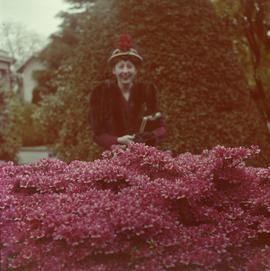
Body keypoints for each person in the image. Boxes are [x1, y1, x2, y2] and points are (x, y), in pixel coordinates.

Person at [89, 34, 166, 149]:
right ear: (114, 70)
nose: (125, 71)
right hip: (114, 159)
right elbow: (97, 134)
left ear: (136, 70)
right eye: (121, 66)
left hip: (143, 157)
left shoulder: (147, 92)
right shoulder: (102, 94)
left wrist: (148, 136)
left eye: (129, 66)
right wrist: (118, 140)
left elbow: (162, 128)